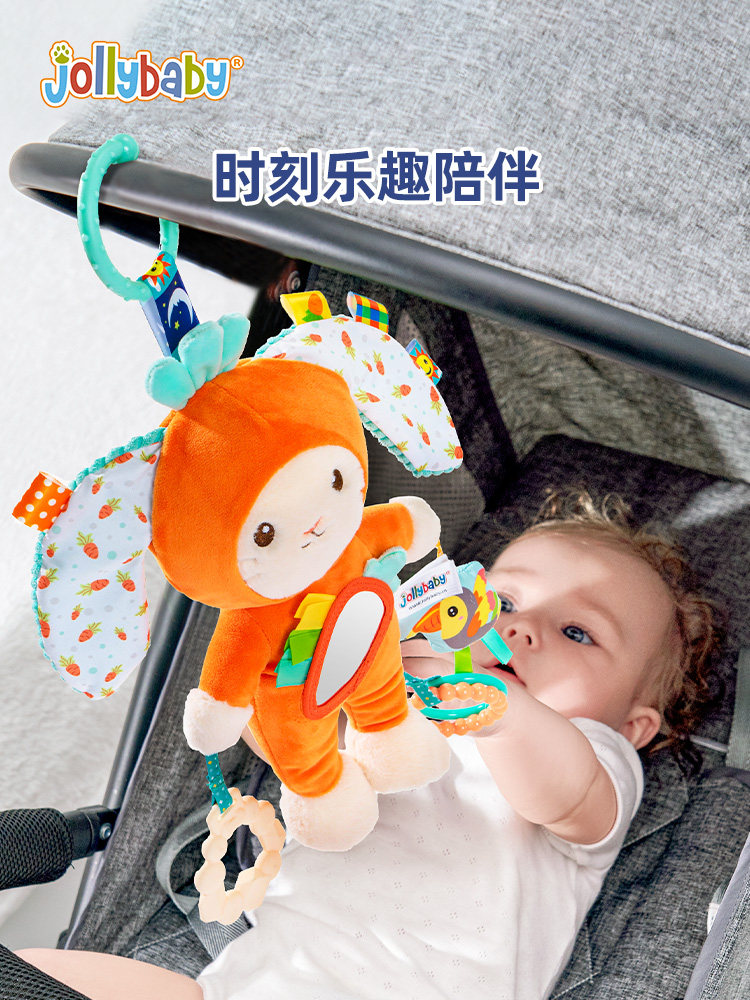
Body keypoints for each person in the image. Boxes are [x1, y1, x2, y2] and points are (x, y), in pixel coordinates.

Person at [18, 492, 720, 1000]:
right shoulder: (393, 684)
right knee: (53, 975)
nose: (521, 628)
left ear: (636, 726)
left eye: (577, 633)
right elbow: (299, 746)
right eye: (502, 602)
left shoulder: (595, 755)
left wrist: (504, 715)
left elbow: (568, 795)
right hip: (260, 973)